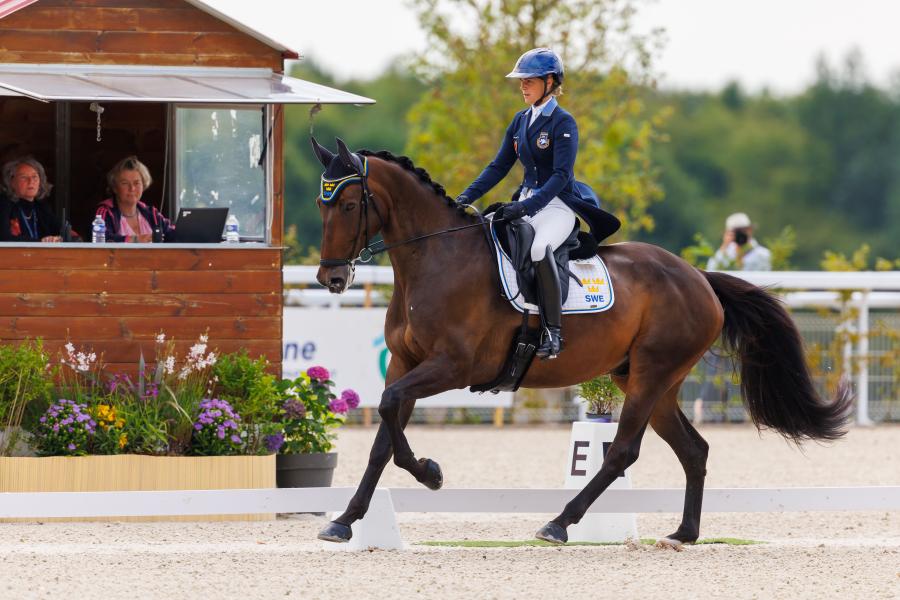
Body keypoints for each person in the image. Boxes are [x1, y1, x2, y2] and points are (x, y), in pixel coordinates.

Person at [456, 48, 614, 360]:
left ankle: (553, 332)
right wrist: (464, 197)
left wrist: (527, 209)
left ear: (549, 82)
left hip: (557, 206)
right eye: (521, 81)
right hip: (527, 201)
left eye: (529, 80)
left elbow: (560, 176)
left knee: (540, 249)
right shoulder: (520, 121)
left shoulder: (563, 122)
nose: (522, 86)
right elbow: (498, 166)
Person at [697, 212, 772, 423]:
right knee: (714, 365)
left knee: (744, 364)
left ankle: (740, 413)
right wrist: (725, 248)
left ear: (750, 231)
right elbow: (711, 274)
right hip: (724, 318)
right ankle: (711, 414)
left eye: (742, 231)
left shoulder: (761, 255)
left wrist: (739, 254)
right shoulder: (723, 255)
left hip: (748, 319)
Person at [95, 156, 174, 243]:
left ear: (143, 185)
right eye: (125, 183)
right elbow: (101, 239)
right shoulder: (104, 212)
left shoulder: (152, 214)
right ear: (114, 188)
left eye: (137, 183)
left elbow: (172, 234)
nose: (132, 188)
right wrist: (135, 240)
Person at [0, 156, 62, 242]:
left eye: (34, 177)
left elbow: (68, 234)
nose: (31, 181)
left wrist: (60, 239)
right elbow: (4, 238)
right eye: (23, 177)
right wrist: (41, 242)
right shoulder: (3, 205)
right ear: (11, 182)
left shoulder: (42, 207)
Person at [706, 212, 771, 271]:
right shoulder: (725, 254)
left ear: (750, 231)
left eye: (743, 230)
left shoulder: (763, 254)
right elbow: (711, 270)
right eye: (736, 232)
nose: (740, 235)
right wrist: (724, 246)